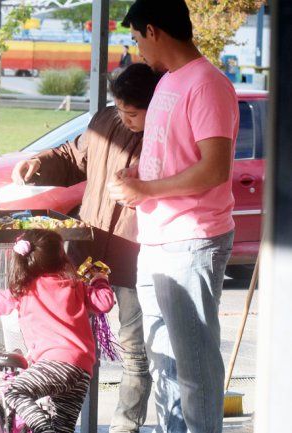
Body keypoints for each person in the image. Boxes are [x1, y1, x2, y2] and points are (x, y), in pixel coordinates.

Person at [108, 1, 239, 432]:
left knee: (195, 364)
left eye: (137, 37)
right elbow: (171, 156)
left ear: (153, 30)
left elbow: (213, 168)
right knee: (162, 359)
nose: (138, 47)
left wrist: (146, 188)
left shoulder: (206, 84)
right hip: (156, 238)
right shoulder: (168, 83)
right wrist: (139, 175)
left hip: (192, 238)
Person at [12, 63, 162, 433]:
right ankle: (65, 424)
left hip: (134, 258)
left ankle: (124, 427)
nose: (124, 118)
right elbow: (72, 156)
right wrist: (39, 162)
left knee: (135, 354)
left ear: (154, 106)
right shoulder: (105, 121)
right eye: (120, 109)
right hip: (86, 254)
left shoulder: (164, 134)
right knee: (73, 353)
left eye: (132, 112)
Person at [0, 229, 115, 433]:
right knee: (62, 427)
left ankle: (42, 428)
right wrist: (100, 280)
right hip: (81, 369)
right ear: (62, 259)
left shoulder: (24, 289)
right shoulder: (75, 286)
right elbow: (104, 302)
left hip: (54, 364)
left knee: (14, 392)